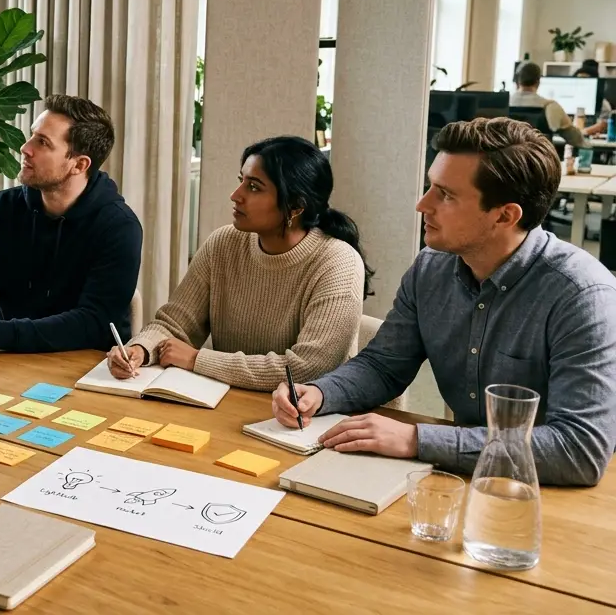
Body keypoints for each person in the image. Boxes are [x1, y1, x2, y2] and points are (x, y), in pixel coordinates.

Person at [272, 119, 616, 486]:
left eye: (446, 195)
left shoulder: (582, 295)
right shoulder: (430, 268)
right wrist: (322, 393)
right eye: (429, 187)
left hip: (553, 496)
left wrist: (417, 438)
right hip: (462, 480)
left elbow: (578, 449)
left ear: (506, 215)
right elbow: (384, 366)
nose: (422, 204)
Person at [108, 136, 370, 390]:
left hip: (301, 419)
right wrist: (139, 349)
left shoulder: (338, 263)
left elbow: (307, 369)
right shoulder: (223, 243)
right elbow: (174, 325)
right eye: (240, 181)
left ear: (296, 206)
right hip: (223, 402)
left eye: (254, 187)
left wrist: (196, 359)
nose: (235, 195)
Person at [0, 94, 142, 353]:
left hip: (82, 365)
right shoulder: (4, 208)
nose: (25, 148)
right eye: (32, 135)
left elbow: (93, 323)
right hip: (7, 357)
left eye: (42, 142)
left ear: (79, 164)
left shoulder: (119, 227)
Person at [510, 61, 585, 150]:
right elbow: (576, 139)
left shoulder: (503, 103)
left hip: (505, 162)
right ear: (538, 82)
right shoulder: (550, 106)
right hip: (540, 161)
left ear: (517, 81)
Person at [574, 60, 613, 137]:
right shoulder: (571, 99)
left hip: (588, 137)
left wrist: (582, 132)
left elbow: (603, 124)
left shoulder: (602, 104)